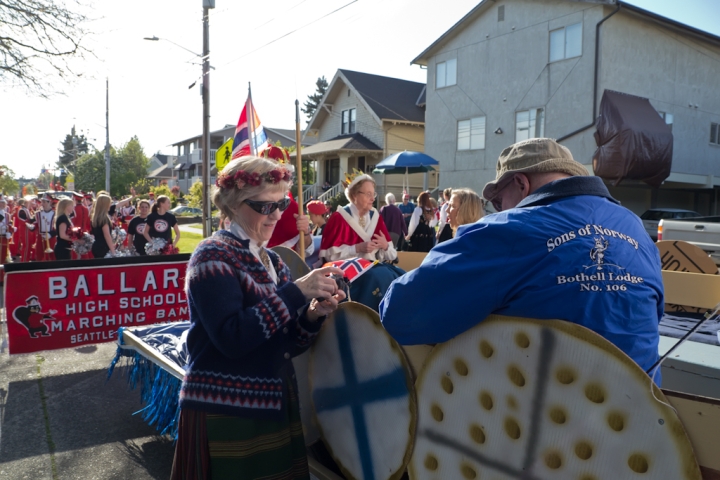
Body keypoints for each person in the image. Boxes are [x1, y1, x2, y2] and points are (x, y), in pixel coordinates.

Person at [380, 138, 663, 380]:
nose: (498, 211)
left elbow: (400, 313)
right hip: (642, 424)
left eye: (499, 203)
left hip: (542, 427)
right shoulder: (635, 226)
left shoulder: (509, 229)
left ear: (520, 183)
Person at [171, 156, 346, 480]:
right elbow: (233, 338)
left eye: (280, 203)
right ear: (235, 205)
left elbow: (284, 344)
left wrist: (311, 315)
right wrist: (295, 293)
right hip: (225, 409)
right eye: (265, 206)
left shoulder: (273, 262)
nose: (278, 215)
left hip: (271, 407)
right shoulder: (211, 255)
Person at [319, 173, 397, 263]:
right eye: (368, 194)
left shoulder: (376, 218)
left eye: (373, 194)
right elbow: (329, 258)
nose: (373, 199)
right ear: (354, 195)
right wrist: (357, 248)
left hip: (373, 268)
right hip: (347, 273)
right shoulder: (339, 218)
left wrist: (385, 246)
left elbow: (393, 255)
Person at [35, 193, 56, 261]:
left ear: (49, 202)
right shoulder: (38, 213)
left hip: (51, 238)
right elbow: (36, 224)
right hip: (40, 238)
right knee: (39, 257)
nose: (42, 204)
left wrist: (51, 234)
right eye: (42, 202)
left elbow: (57, 228)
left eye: (44, 202)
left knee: (51, 258)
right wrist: (31, 227)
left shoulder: (55, 213)